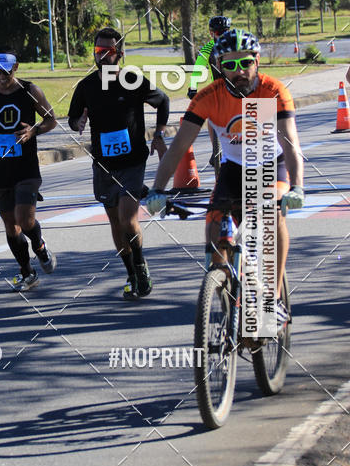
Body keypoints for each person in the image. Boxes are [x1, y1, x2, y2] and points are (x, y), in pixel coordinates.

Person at [146, 28, 304, 326]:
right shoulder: (209, 97)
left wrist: (297, 187)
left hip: (271, 165)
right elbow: (179, 146)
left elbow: (290, 143)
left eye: (245, 63)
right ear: (219, 66)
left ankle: (272, 299)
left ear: (257, 61)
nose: (239, 71)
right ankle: (227, 294)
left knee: (271, 216)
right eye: (230, 65)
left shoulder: (273, 91)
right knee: (215, 233)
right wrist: (157, 189)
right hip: (235, 168)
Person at [67, 26, 169, 300]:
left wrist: (159, 135)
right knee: (114, 220)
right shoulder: (87, 86)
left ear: (120, 54)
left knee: (127, 218)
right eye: (98, 51)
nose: (102, 56)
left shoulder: (132, 80)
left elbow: (163, 101)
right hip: (103, 164)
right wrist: (79, 122)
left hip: (133, 161)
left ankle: (140, 264)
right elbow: (73, 118)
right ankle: (131, 272)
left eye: (108, 51)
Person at [0, 52, 57, 292]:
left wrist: (33, 131)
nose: (1, 76)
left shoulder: (30, 91)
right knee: (11, 226)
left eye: (5, 71)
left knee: (24, 220)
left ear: (16, 67)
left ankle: (39, 247)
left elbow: (51, 119)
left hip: (25, 167)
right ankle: (27, 272)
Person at [188, 16, 232, 177]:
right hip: (219, 89)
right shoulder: (208, 48)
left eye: (225, 32)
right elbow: (198, 68)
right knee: (211, 117)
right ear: (211, 33)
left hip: (239, 88)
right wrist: (193, 87)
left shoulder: (236, 44)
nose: (221, 35)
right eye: (218, 32)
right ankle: (216, 151)